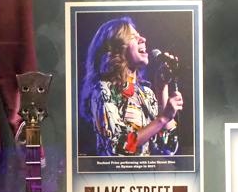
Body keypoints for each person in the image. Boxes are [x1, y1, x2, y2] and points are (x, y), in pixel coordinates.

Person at [78, 16, 183, 156]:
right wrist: (162, 118)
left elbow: (168, 148)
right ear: (116, 49)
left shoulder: (146, 93)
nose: (143, 39)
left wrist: (161, 87)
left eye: (140, 36)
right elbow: (119, 147)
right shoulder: (104, 90)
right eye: (134, 37)